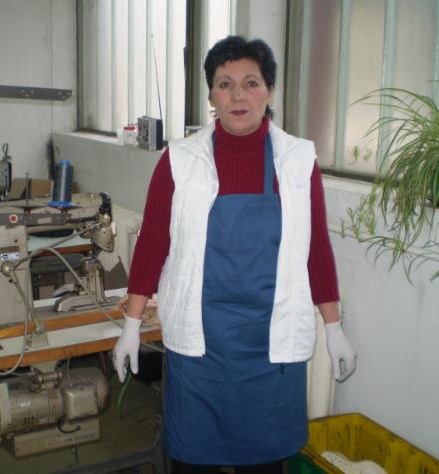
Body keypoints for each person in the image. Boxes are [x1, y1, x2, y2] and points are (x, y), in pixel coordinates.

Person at [113, 36, 357, 474]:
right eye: (225, 84)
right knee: (193, 461)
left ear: (269, 91)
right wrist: (131, 324)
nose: (238, 95)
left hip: (271, 348)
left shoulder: (298, 162)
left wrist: (333, 327)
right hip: (200, 349)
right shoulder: (180, 160)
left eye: (251, 82)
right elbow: (152, 243)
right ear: (211, 95)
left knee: (263, 464)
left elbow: (317, 249)